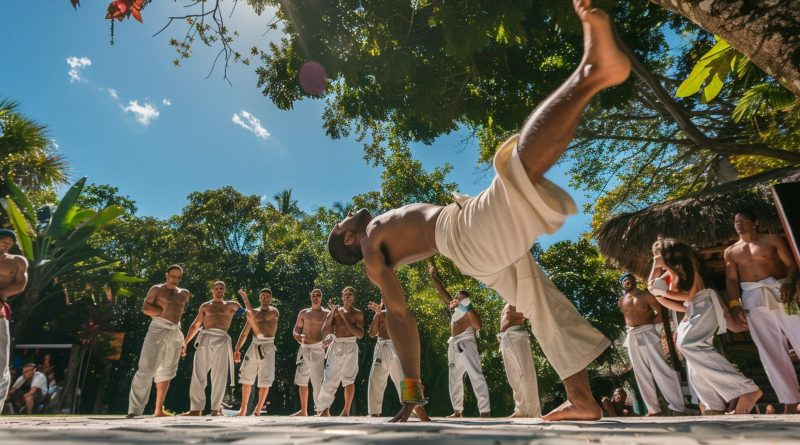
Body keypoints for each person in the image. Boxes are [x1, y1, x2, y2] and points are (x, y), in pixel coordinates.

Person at [327, 0, 628, 421]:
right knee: (512, 170)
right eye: (340, 221)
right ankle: (593, 74)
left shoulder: (379, 230)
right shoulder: (372, 248)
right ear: (346, 237)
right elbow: (399, 316)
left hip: (469, 246)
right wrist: (411, 393)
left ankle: (582, 399)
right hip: (462, 237)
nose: (346, 215)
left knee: (542, 305)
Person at [649, 238, 762, 415]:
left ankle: (746, 389)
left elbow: (689, 294)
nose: (656, 258)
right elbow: (654, 291)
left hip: (705, 303)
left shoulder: (687, 267)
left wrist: (666, 288)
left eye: (658, 255)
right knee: (690, 355)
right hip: (693, 308)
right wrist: (656, 268)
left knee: (689, 344)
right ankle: (713, 404)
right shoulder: (667, 274)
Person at [724, 210, 800, 414]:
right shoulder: (731, 251)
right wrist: (734, 304)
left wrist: (791, 283)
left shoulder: (772, 240)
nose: (738, 224)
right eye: (735, 221)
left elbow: (791, 265)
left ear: (755, 222)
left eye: (743, 220)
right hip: (752, 298)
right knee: (769, 350)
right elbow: (731, 280)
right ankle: (790, 400)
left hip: (781, 292)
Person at [182, 280, 257, 416]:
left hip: (222, 339)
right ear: (212, 290)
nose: (219, 290)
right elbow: (195, 325)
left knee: (219, 375)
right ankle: (195, 409)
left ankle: (215, 409)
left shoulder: (232, 305)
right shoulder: (205, 306)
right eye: (216, 288)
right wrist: (185, 343)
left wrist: (244, 297)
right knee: (198, 374)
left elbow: (250, 315)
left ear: (224, 290)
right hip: (205, 337)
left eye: (221, 288)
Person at [127, 265, 190, 418]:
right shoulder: (156, 289)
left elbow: (180, 312)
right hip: (158, 327)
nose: (175, 279)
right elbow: (145, 307)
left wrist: (182, 340)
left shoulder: (184, 293)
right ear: (167, 275)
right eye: (172, 276)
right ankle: (134, 411)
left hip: (175, 331)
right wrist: (161, 312)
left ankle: (158, 410)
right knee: (146, 369)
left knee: (167, 370)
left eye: (178, 277)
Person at [428, 265, 491, 417]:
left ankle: (484, 411)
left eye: (461, 297)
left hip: (467, 343)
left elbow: (477, 326)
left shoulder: (470, 311)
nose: (457, 298)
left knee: (475, 374)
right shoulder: (456, 310)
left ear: (466, 299)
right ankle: (458, 411)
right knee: (454, 377)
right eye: (457, 297)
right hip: (454, 344)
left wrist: (467, 306)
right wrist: (432, 275)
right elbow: (442, 291)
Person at [619, 273, 685, 416]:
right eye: (624, 281)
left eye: (629, 280)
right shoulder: (621, 301)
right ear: (622, 284)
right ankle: (653, 410)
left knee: (660, 368)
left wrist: (650, 324)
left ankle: (678, 407)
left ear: (634, 281)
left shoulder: (646, 296)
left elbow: (661, 312)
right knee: (640, 373)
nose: (627, 282)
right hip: (632, 335)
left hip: (648, 332)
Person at [316, 286, 365, 416]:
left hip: (351, 345)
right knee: (330, 377)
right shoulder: (335, 312)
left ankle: (346, 410)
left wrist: (345, 318)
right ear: (342, 296)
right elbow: (324, 331)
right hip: (336, 345)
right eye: (345, 294)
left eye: (350, 294)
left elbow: (360, 335)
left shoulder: (357, 313)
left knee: (349, 378)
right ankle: (325, 409)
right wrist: (332, 314)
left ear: (353, 298)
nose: (347, 296)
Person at [234, 288, 279, 416]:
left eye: (267, 296)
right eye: (263, 296)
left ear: (270, 299)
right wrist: (237, 349)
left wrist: (245, 298)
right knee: (246, 378)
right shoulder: (253, 312)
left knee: (265, 379)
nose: (265, 298)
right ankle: (243, 410)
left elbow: (252, 318)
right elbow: (245, 332)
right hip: (254, 345)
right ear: (259, 298)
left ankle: (258, 410)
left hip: (267, 346)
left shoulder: (274, 312)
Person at [0, 229, 29, 415]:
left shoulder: (17, 261)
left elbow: (21, 284)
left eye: (10, 243)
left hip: (0, 308)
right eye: (4, 241)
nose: (6, 245)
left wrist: (1, 294)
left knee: (1, 361)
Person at [498, 303, 541, 417]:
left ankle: (534, 413)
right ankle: (520, 411)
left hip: (517, 335)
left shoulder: (519, 293)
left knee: (526, 375)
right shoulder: (508, 298)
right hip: (505, 338)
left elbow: (533, 310)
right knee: (514, 378)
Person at [290, 288, 329, 416]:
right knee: (301, 380)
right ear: (310, 296)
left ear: (321, 297)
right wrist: (297, 335)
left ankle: (321, 409)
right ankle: (304, 411)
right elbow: (296, 329)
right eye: (314, 295)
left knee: (317, 380)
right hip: (304, 347)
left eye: (318, 295)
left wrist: (328, 340)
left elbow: (332, 330)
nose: (316, 297)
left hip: (318, 348)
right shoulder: (304, 312)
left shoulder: (326, 313)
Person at [366, 299, 403, 417]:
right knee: (375, 378)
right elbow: (372, 333)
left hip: (395, 346)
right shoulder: (380, 313)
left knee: (402, 378)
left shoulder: (399, 312)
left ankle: (414, 408)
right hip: (381, 346)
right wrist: (377, 314)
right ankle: (374, 411)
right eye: (383, 300)